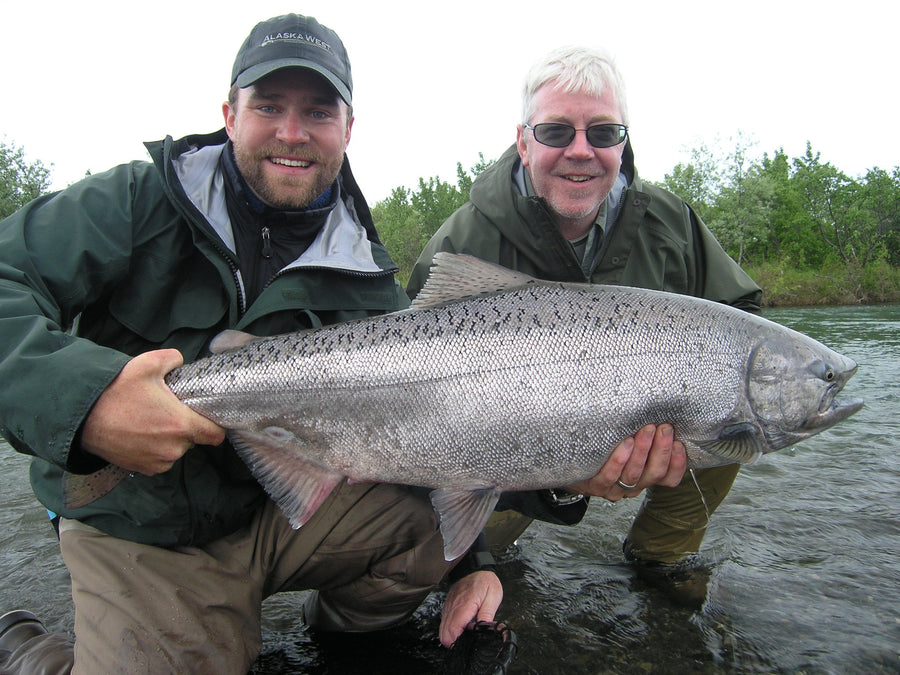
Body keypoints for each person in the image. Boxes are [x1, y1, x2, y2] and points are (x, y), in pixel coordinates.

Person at [0, 17, 683, 673]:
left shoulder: (367, 275)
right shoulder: (136, 200)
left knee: (424, 532)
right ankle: (26, 649)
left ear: (348, 128)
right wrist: (92, 402)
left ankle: (340, 642)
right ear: (230, 114)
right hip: (142, 521)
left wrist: (477, 561)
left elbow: (450, 425)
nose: (292, 132)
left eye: (319, 112)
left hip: (274, 509)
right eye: (269, 106)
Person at [408, 46, 763, 594]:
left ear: (622, 142)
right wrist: (565, 480)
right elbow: (409, 395)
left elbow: (745, 322)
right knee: (435, 567)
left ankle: (660, 559)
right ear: (523, 142)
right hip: (508, 450)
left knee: (737, 410)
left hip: (657, 431)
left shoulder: (670, 223)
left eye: (602, 132)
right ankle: (483, 563)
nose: (581, 151)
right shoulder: (465, 239)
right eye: (556, 132)